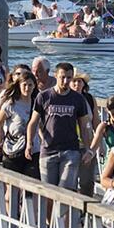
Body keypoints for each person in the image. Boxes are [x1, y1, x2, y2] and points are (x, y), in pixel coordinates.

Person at [26, 62, 92, 191]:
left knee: (65, 191)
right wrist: (29, 143)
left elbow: (84, 126)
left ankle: (64, 211)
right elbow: (33, 122)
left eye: (69, 77)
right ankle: (51, 212)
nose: (66, 81)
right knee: (49, 193)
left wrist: (88, 149)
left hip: (71, 150)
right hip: (48, 150)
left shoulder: (78, 99)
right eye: (63, 77)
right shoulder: (44, 96)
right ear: (56, 76)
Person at [0, 72, 38, 178]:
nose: (27, 88)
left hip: (33, 149)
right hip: (13, 149)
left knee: (31, 184)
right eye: (24, 85)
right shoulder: (11, 104)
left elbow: (40, 126)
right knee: (12, 186)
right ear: (19, 86)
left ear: (34, 86)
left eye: (30, 85)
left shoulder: (37, 103)